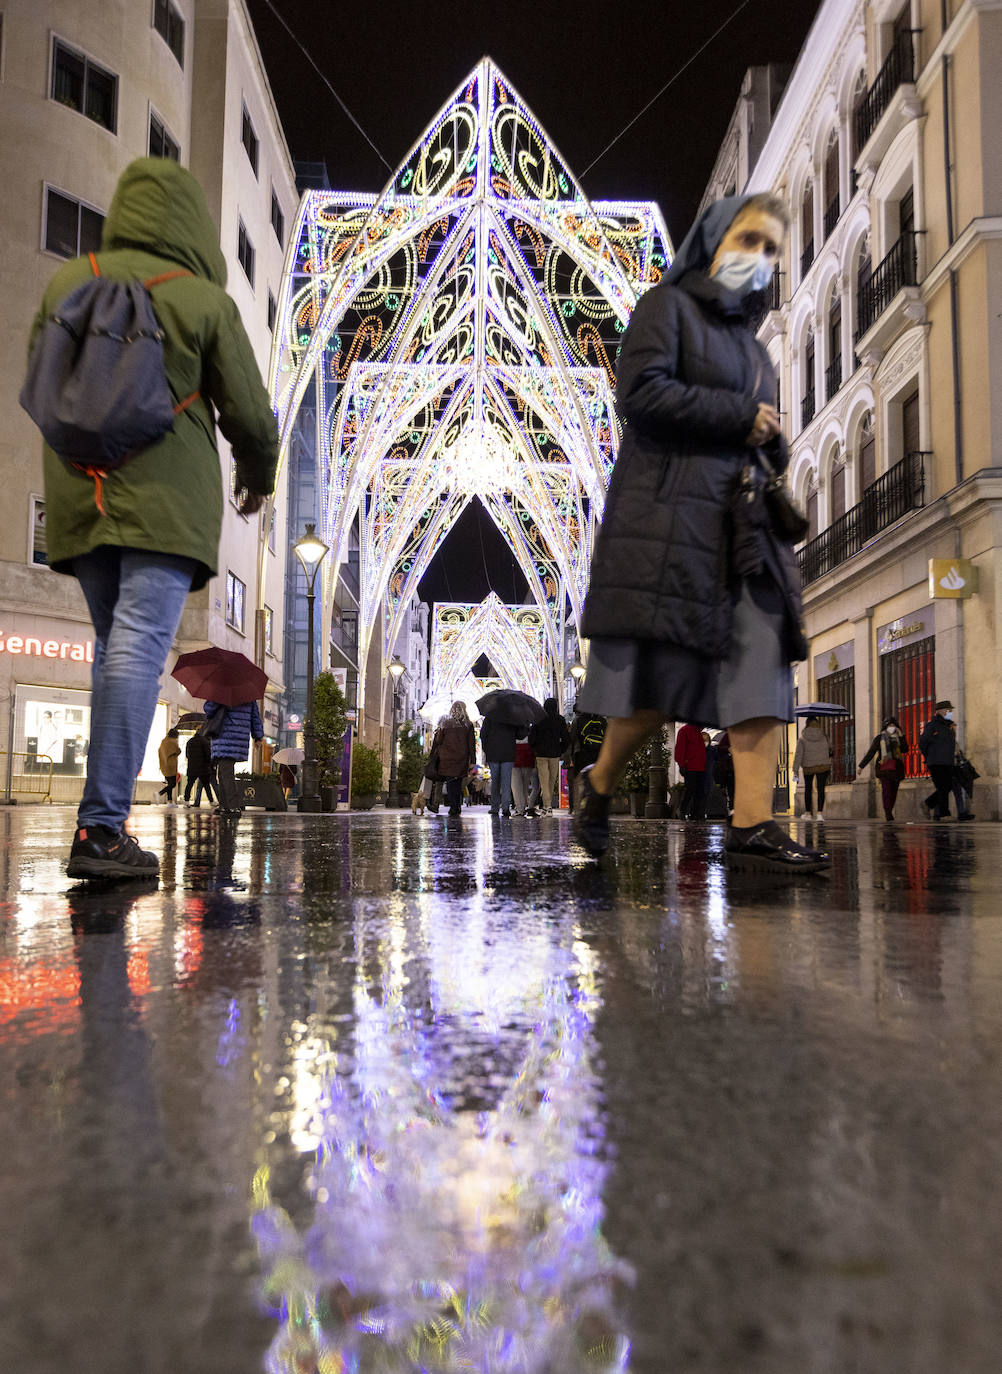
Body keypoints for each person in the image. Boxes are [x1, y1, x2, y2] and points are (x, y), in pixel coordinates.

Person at [32, 158, 278, 879]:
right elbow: (253, 418)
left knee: (116, 649)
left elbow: (41, 382)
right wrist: (256, 480)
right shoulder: (202, 300)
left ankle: (101, 823)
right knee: (138, 648)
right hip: (167, 505)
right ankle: (101, 829)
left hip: (83, 496)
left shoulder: (68, 283)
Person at [570, 193, 828, 871]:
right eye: (749, 240)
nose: (760, 258)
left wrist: (768, 442)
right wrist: (739, 416)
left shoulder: (754, 347)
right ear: (712, 241)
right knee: (663, 692)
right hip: (675, 524)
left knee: (765, 662)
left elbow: (762, 435)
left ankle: (753, 822)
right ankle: (597, 785)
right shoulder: (667, 309)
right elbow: (642, 394)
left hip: (745, 528)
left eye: (772, 248)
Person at [204, 699, 264, 815]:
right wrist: (258, 736)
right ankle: (224, 805)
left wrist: (215, 699)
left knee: (226, 773)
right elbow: (255, 717)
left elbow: (209, 710)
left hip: (224, 736)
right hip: (239, 737)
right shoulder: (248, 694)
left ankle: (233, 806)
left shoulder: (220, 692)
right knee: (222, 772)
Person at [426, 701, 476, 816]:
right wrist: (473, 761)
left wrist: (432, 755)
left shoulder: (445, 723)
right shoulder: (468, 724)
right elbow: (471, 744)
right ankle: (456, 806)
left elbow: (438, 741)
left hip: (446, 758)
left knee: (450, 783)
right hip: (461, 759)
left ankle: (454, 807)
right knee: (457, 784)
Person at [858, 716, 907, 822]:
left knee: (894, 792)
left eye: (893, 725)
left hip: (896, 769)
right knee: (887, 791)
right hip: (884, 768)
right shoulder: (880, 738)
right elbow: (871, 753)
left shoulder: (899, 737)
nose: (892, 727)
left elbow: (905, 749)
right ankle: (888, 812)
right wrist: (861, 766)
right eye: (890, 725)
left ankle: (889, 810)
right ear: (885, 726)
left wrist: (901, 736)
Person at [529, 698, 571, 814]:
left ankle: (547, 806)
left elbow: (531, 738)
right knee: (551, 781)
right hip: (554, 754)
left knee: (544, 780)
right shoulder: (560, 719)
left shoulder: (538, 719)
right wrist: (561, 749)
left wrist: (535, 749)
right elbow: (566, 738)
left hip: (541, 755)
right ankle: (547, 806)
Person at [920, 700, 957, 822]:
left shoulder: (950, 726)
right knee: (943, 787)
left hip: (947, 762)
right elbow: (923, 743)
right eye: (948, 710)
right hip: (935, 762)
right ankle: (943, 813)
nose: (950, 712)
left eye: (950, 710)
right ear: (940, 711)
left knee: (946, 787)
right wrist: (929, 756)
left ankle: (928, 804)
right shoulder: (932, 726)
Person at [566, 705, 607, 812]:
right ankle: (596, 805)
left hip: (581, 755)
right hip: (598, 754)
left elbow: (573, 739)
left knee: (581, 781)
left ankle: (580, 806)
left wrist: (570, 757)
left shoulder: (578, 720)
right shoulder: (602, 720)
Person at [480, 712, 521, 818]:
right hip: (508, 753)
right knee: (506, 782)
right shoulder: (512, 716)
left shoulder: (490, 716)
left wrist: (487, 749)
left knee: (495, 781)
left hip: (493, 754)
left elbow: (483, 734)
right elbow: (520, 734)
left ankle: (494, 807)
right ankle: (506, 808)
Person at [793, 715, 833, 820]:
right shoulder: (824, 736)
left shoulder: (802, 738)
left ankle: (808, 813)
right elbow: (830, 749)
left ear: (807, 724)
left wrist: (795, 769)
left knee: (808, 789)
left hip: (808, 766)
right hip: (823, 766)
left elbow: (798, 755)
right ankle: (819, 814)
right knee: (821, 789)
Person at [674, 722, 707, 820]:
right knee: (690, 790)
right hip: (691, 766)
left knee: (698, 791)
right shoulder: (685, 731)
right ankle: (682, 810)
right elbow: (680, 748)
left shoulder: (697, 731)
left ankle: (694, 813)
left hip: (699, 766)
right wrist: (681, 764)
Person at [949, 720, 976, 821]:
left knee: (957, 791)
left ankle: (962, 813)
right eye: (953, 727)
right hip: (949, 768)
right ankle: (938, 813)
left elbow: (958, 752)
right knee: (943, 792)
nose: (955, 729)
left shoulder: (953, 739)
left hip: (955, 768)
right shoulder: (948, 739)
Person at [183, 728, 216, 808]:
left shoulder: (190, 741)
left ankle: (186, 801)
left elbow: (187, 755)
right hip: (203, 768)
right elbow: (208, 755)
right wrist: (210, 764)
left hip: (192, 767)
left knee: (189, 784)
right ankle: (211, 801)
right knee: (206, 785)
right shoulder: (205, 742)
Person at [511, 737, 540, 816]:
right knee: (524, 786)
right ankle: (522, 807)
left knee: (516, 786)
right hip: (528, 757)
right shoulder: (529, 730)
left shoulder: (511, 728)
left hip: (514, 756)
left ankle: (520, 809)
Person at [157, 727, 181, 804]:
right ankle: (159, 793)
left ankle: (169, 801)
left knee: (169, 784)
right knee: (173, 784)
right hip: (171, 766)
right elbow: (178, 751)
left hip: (164, 765)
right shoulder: (173, 741)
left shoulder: (163, 741)